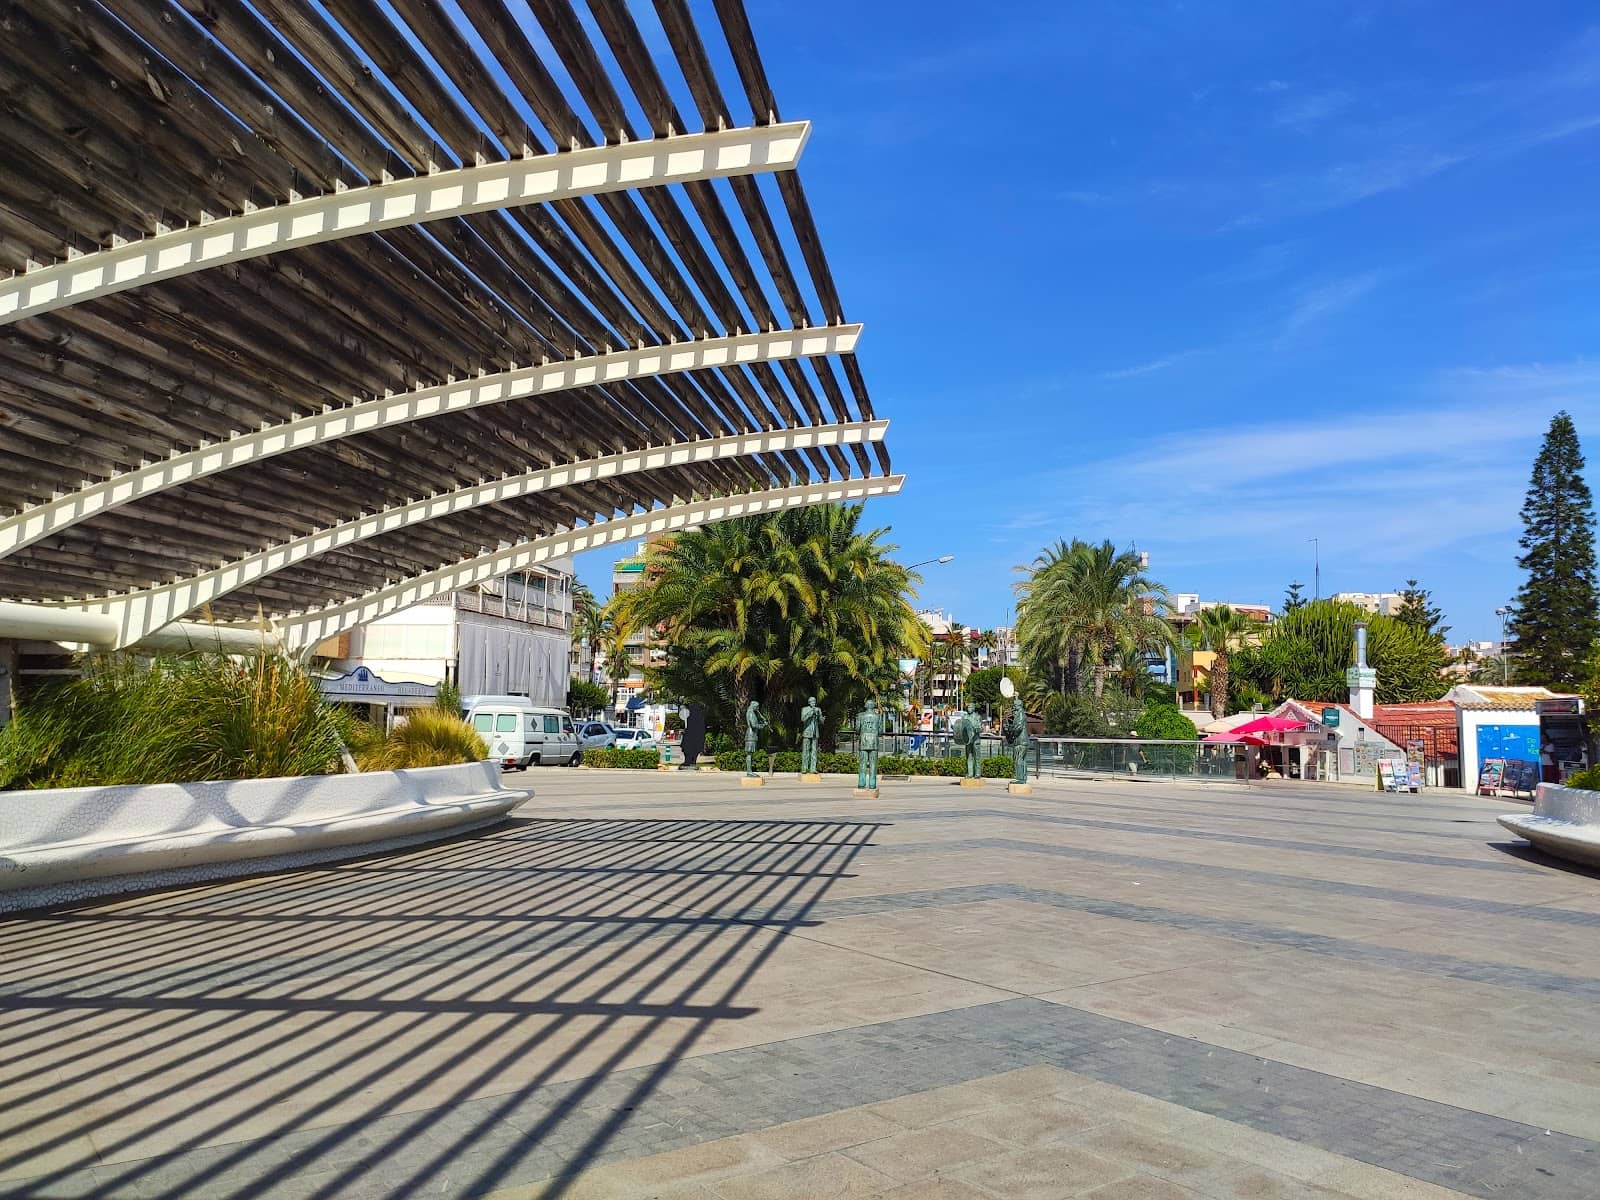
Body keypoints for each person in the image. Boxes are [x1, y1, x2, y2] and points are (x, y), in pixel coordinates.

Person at [1002, 698, 1029, 784]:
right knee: (1022, 759)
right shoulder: (1020, 714)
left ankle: (1020, 778)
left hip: (1020, 740)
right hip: (1022, 741)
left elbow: (1019, 727)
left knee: (1018, 759)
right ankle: (1023, 778)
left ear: (1019, 706)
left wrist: (1011, 732)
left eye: (1014, 705)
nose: (1013, 707)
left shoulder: (1020, 714)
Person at [857, 699, 881, 789]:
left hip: (863, 741)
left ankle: (861, 783)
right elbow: (880, 730)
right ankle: (872, 783)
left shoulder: (860, 716)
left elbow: (857, 729)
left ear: (866, 706)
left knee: (862, 763)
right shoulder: (878, 716)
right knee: (873, 764)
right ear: (873, 706)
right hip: (874, 741)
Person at [743, 700, 768, 776]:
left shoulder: (751, 713)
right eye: (757, 707)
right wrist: (763, 725)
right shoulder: (751, 713)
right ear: (753, 706)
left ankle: (749, 771)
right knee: (749, 754)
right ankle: (749, 771)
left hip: (752, 735)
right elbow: (754, 725)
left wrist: (761, 721)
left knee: (750, 754)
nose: (758, 708)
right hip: (751, 736)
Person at [799, 695, 821, 774]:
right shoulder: (805, 709)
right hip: (807, 732)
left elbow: (821, 721)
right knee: (806, 750)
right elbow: (803, 719)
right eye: (812, 701)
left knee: (814, 751)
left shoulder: (818, 709)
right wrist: (811, 712)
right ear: (809, 702)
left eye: (814, 701)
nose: (813, 703)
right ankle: (804, 768)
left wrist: (819, 716)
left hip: (815, 733)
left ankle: (813, 769)